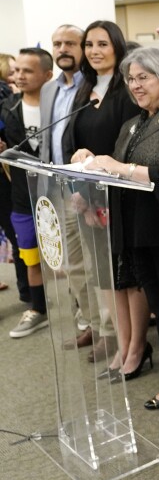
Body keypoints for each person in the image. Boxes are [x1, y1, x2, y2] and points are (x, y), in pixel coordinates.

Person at [72, 47, 159, 422]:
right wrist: (90, 167)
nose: (135, 86)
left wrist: (117, 166)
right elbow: (118, 171)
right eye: (131, 79)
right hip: (142, 231)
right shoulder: (135, 123)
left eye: (143, 78)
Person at [64, 20, 142, 365]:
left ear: (117, 48)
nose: (94, 51)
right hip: (86, 194)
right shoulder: (85, 89)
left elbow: (128, 147)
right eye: (89, 45)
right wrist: (79, 164)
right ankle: (120, 343)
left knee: (126, 274)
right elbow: (76, 141)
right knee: (102, 274)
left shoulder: (126, 90)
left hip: (119, 196)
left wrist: (98, 172)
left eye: (102, 44)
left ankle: (136, 346)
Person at [38, 24, 96, 338]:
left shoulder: (94, 85)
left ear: (83, 48)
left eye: (71, 43)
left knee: (92, 262)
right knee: (71, 261)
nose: (63, 49)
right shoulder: (50, 88)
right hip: (56, 185)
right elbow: (49, 137)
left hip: (86, 186)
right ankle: (89, 319)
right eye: (57, 43)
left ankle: (104, 326)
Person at [0, 48, 54, 338]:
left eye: (27, 71)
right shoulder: (8, 108)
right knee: (29, 255)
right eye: (16, 70)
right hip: (21, 196)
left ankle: (80, 310)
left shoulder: (60, 105)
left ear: (47, 75)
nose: (19, 75)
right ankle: (38, 308)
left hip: (57, 194)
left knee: (66, 256)